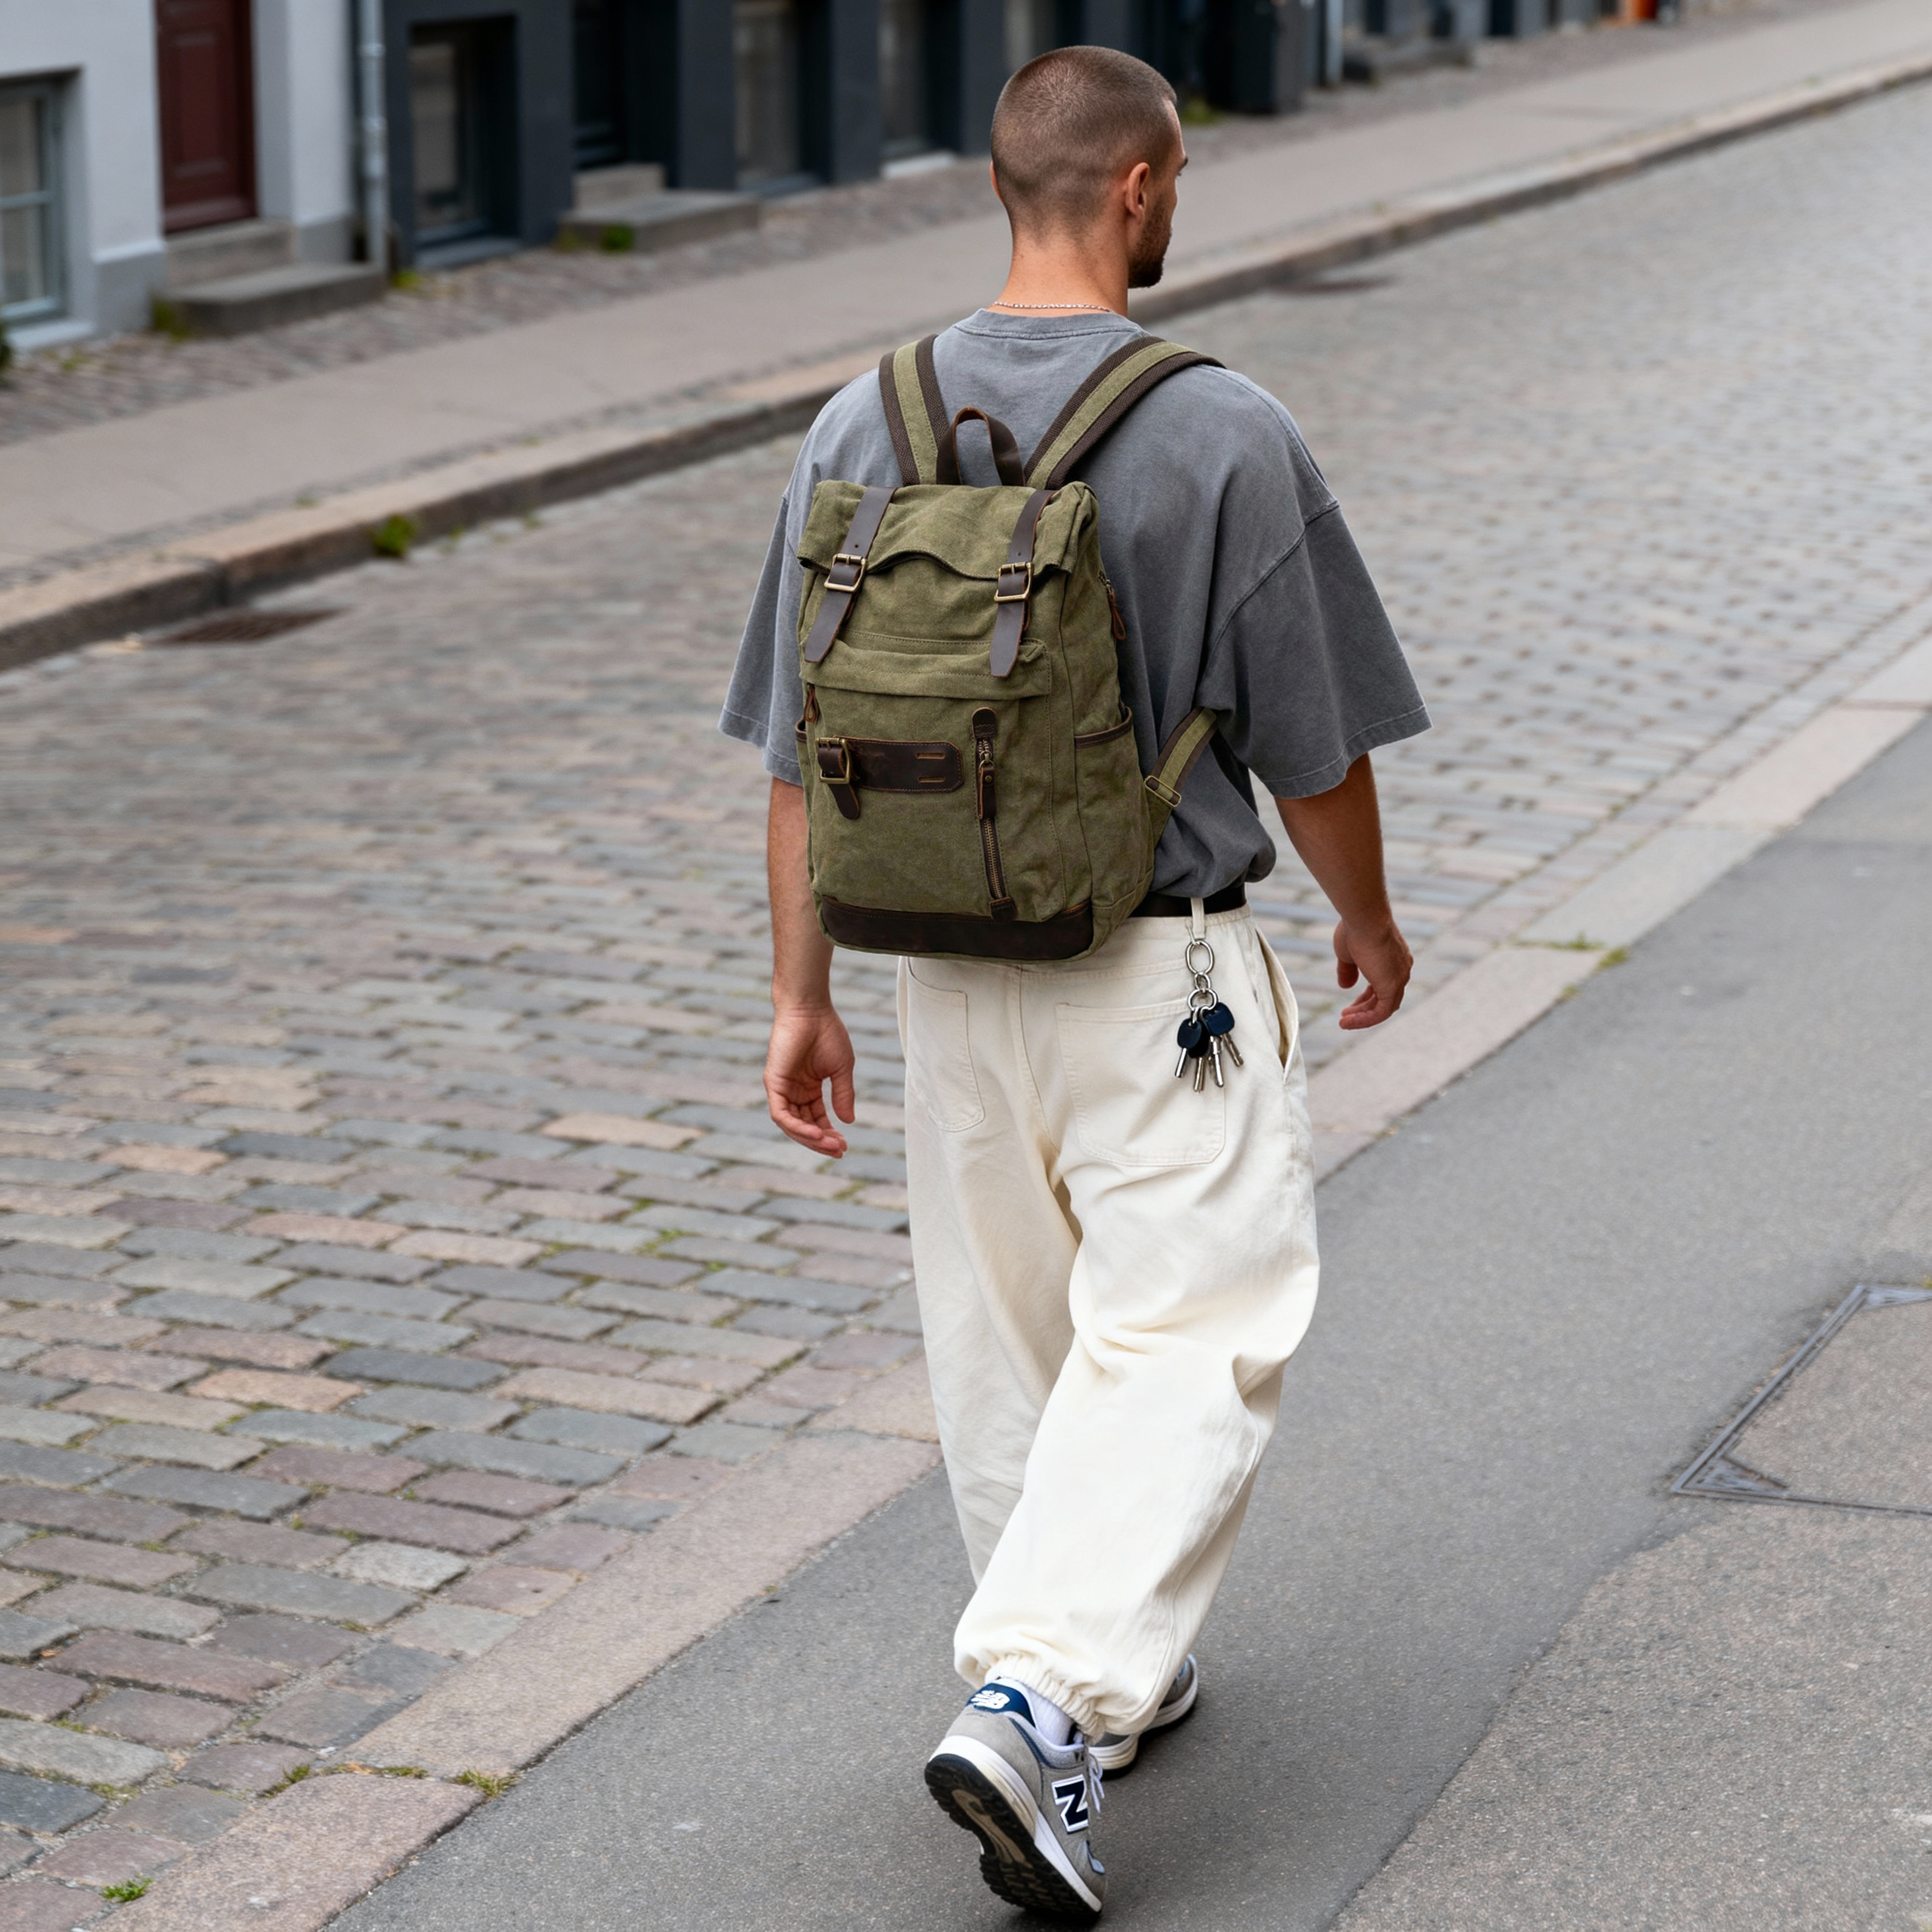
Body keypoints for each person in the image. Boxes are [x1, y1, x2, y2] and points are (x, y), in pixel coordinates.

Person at [722, 44, 1427, 1921]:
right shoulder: (1220, 429)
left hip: (941, 977)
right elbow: (1315, 747)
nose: (1178, 195)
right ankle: (1047, 1693)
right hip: (1156, 971)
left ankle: (1076, 1678)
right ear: (1135, 188)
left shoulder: (855, 425)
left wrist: (801, 999)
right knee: (1200, 1324)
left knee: (1013, 1339)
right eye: (1176, 171)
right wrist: (1365, 917)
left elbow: (800, 752)